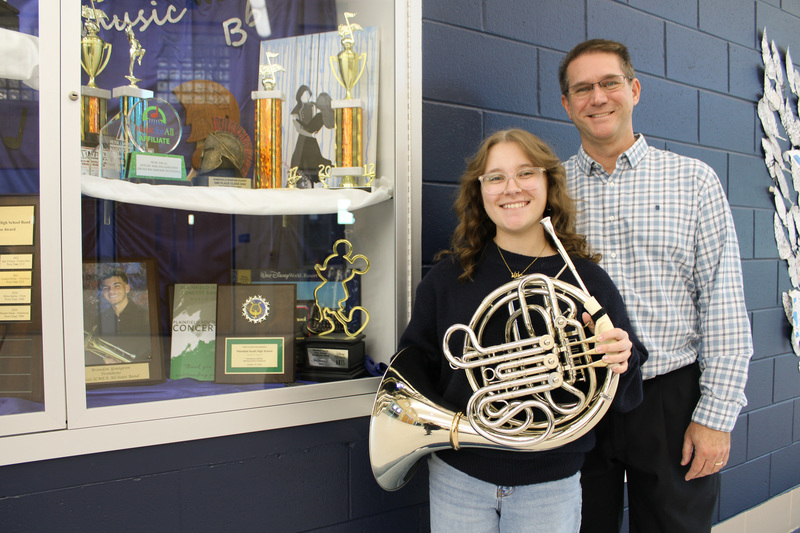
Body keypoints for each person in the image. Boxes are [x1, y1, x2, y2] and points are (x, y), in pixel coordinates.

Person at [398, 128, 647, 532]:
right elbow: (412, 365)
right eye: (495, 177)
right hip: (459, 476)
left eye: (526, 173)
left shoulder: (587, 282)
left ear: (549, 182)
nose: (511, 188)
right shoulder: (448, 279)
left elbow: (627, 396)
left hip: (549, 484)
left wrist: (622, 357)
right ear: (480, 191)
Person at [558, 39, 753, 532]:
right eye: (582, 89)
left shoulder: (694, 181)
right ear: (566, 104)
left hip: (669, 396)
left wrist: (716, 417)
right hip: (579, 395)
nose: (597, 98)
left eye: (609, 83)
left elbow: (723, 305)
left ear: (634, 89)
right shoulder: (549, 189)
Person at [90, 268, 151, 364]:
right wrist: (103, 361)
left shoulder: (146, 316)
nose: (111, 291)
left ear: (127, 288)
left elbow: (151, 351)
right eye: (106, 288)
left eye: (117, 286)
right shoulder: (99, 319)